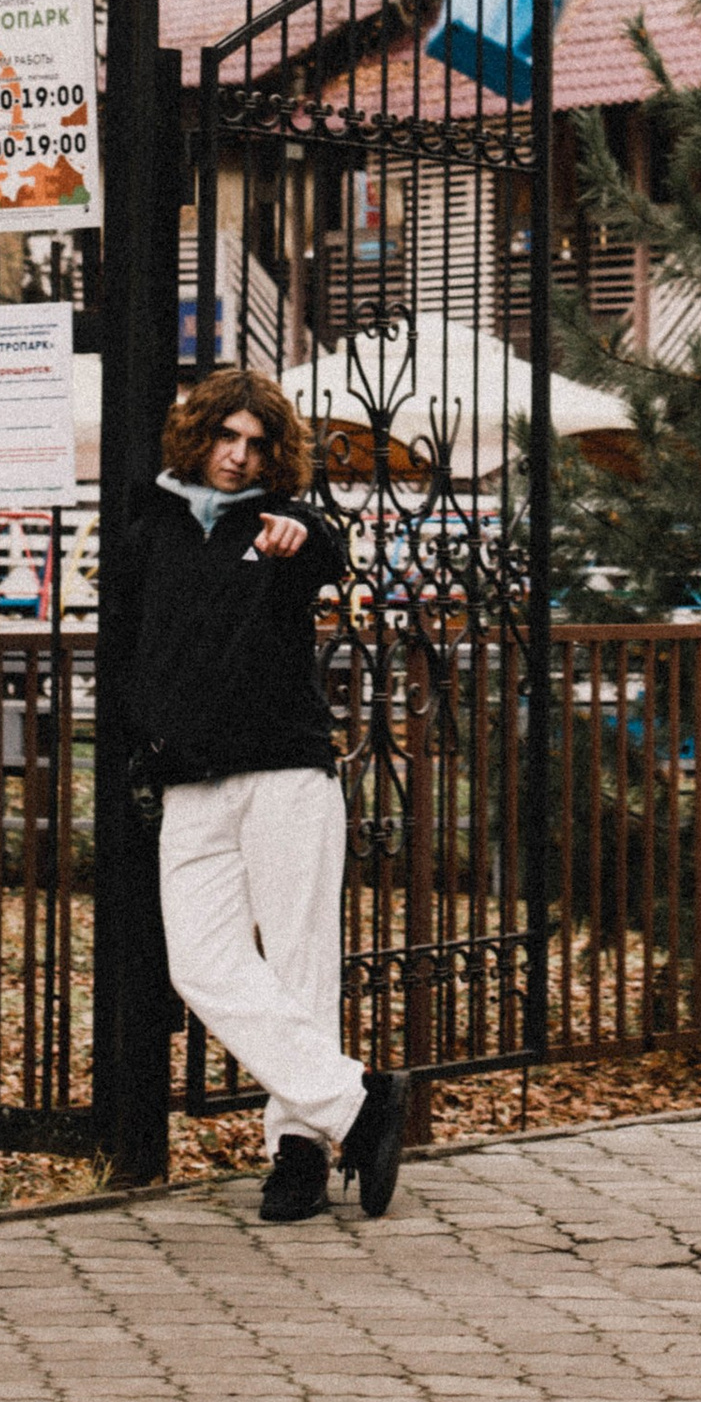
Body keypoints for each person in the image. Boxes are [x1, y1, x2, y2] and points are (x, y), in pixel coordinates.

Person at [115, 364, 409, 1225]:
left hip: (284, 770)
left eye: (256, 444)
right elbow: (130, 644)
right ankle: (358, 1103)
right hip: (190, 779)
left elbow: (323, 548)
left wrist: (293, 535)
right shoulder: (152, 525)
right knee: (199, 963)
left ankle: (298, 1154)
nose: (238, 458)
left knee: (298, 957)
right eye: (225, 438)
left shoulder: (284, 526)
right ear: (197, 435)